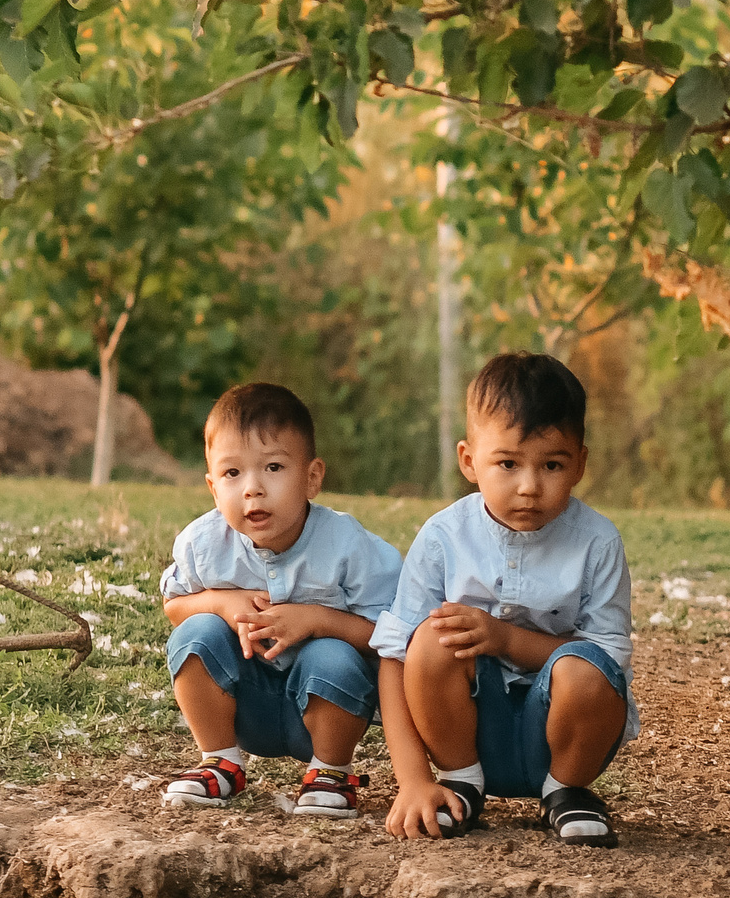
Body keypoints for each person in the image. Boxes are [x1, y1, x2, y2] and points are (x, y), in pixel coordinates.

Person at [372, 352, 633, 847]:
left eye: (552, 464)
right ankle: (460, 784)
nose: (530, 487)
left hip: (563, 739)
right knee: (430, 637)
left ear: (580, 462)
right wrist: (412, 782)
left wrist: (504, 639)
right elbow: (394, 656)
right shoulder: (444, 537)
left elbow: (609, 665)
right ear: (470, 461)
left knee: (587, 667)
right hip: (464, 732)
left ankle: (565, 793)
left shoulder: (597, 542)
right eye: (507, 463)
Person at [158, 383, 403, 817]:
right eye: (233, 474)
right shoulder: (202, 542)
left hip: (326, 705)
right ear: (213, 487)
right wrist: (218, 602)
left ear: (312, 477)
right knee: (196, 633)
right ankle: (219, 761)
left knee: (332, 655)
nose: (252, 488)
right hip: (243, 700)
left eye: (273, 467)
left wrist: (315, 620)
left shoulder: (347, 545)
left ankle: (331, 770)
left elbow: (391, 635)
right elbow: (175, 607)